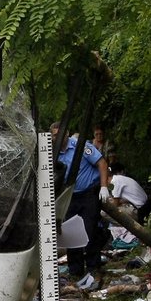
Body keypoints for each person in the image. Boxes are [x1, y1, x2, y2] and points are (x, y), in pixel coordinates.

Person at [52, 122, 112, 287]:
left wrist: (104, 186)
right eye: (55, 135)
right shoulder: (53, 153)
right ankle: (75, 269)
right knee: (70, 232)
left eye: (61, 134)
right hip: (69, 196)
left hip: (88, 194)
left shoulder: (81, 146)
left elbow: (101, 163)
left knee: (89, 229)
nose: (58, 137)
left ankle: (93, 266)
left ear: (68, 133)